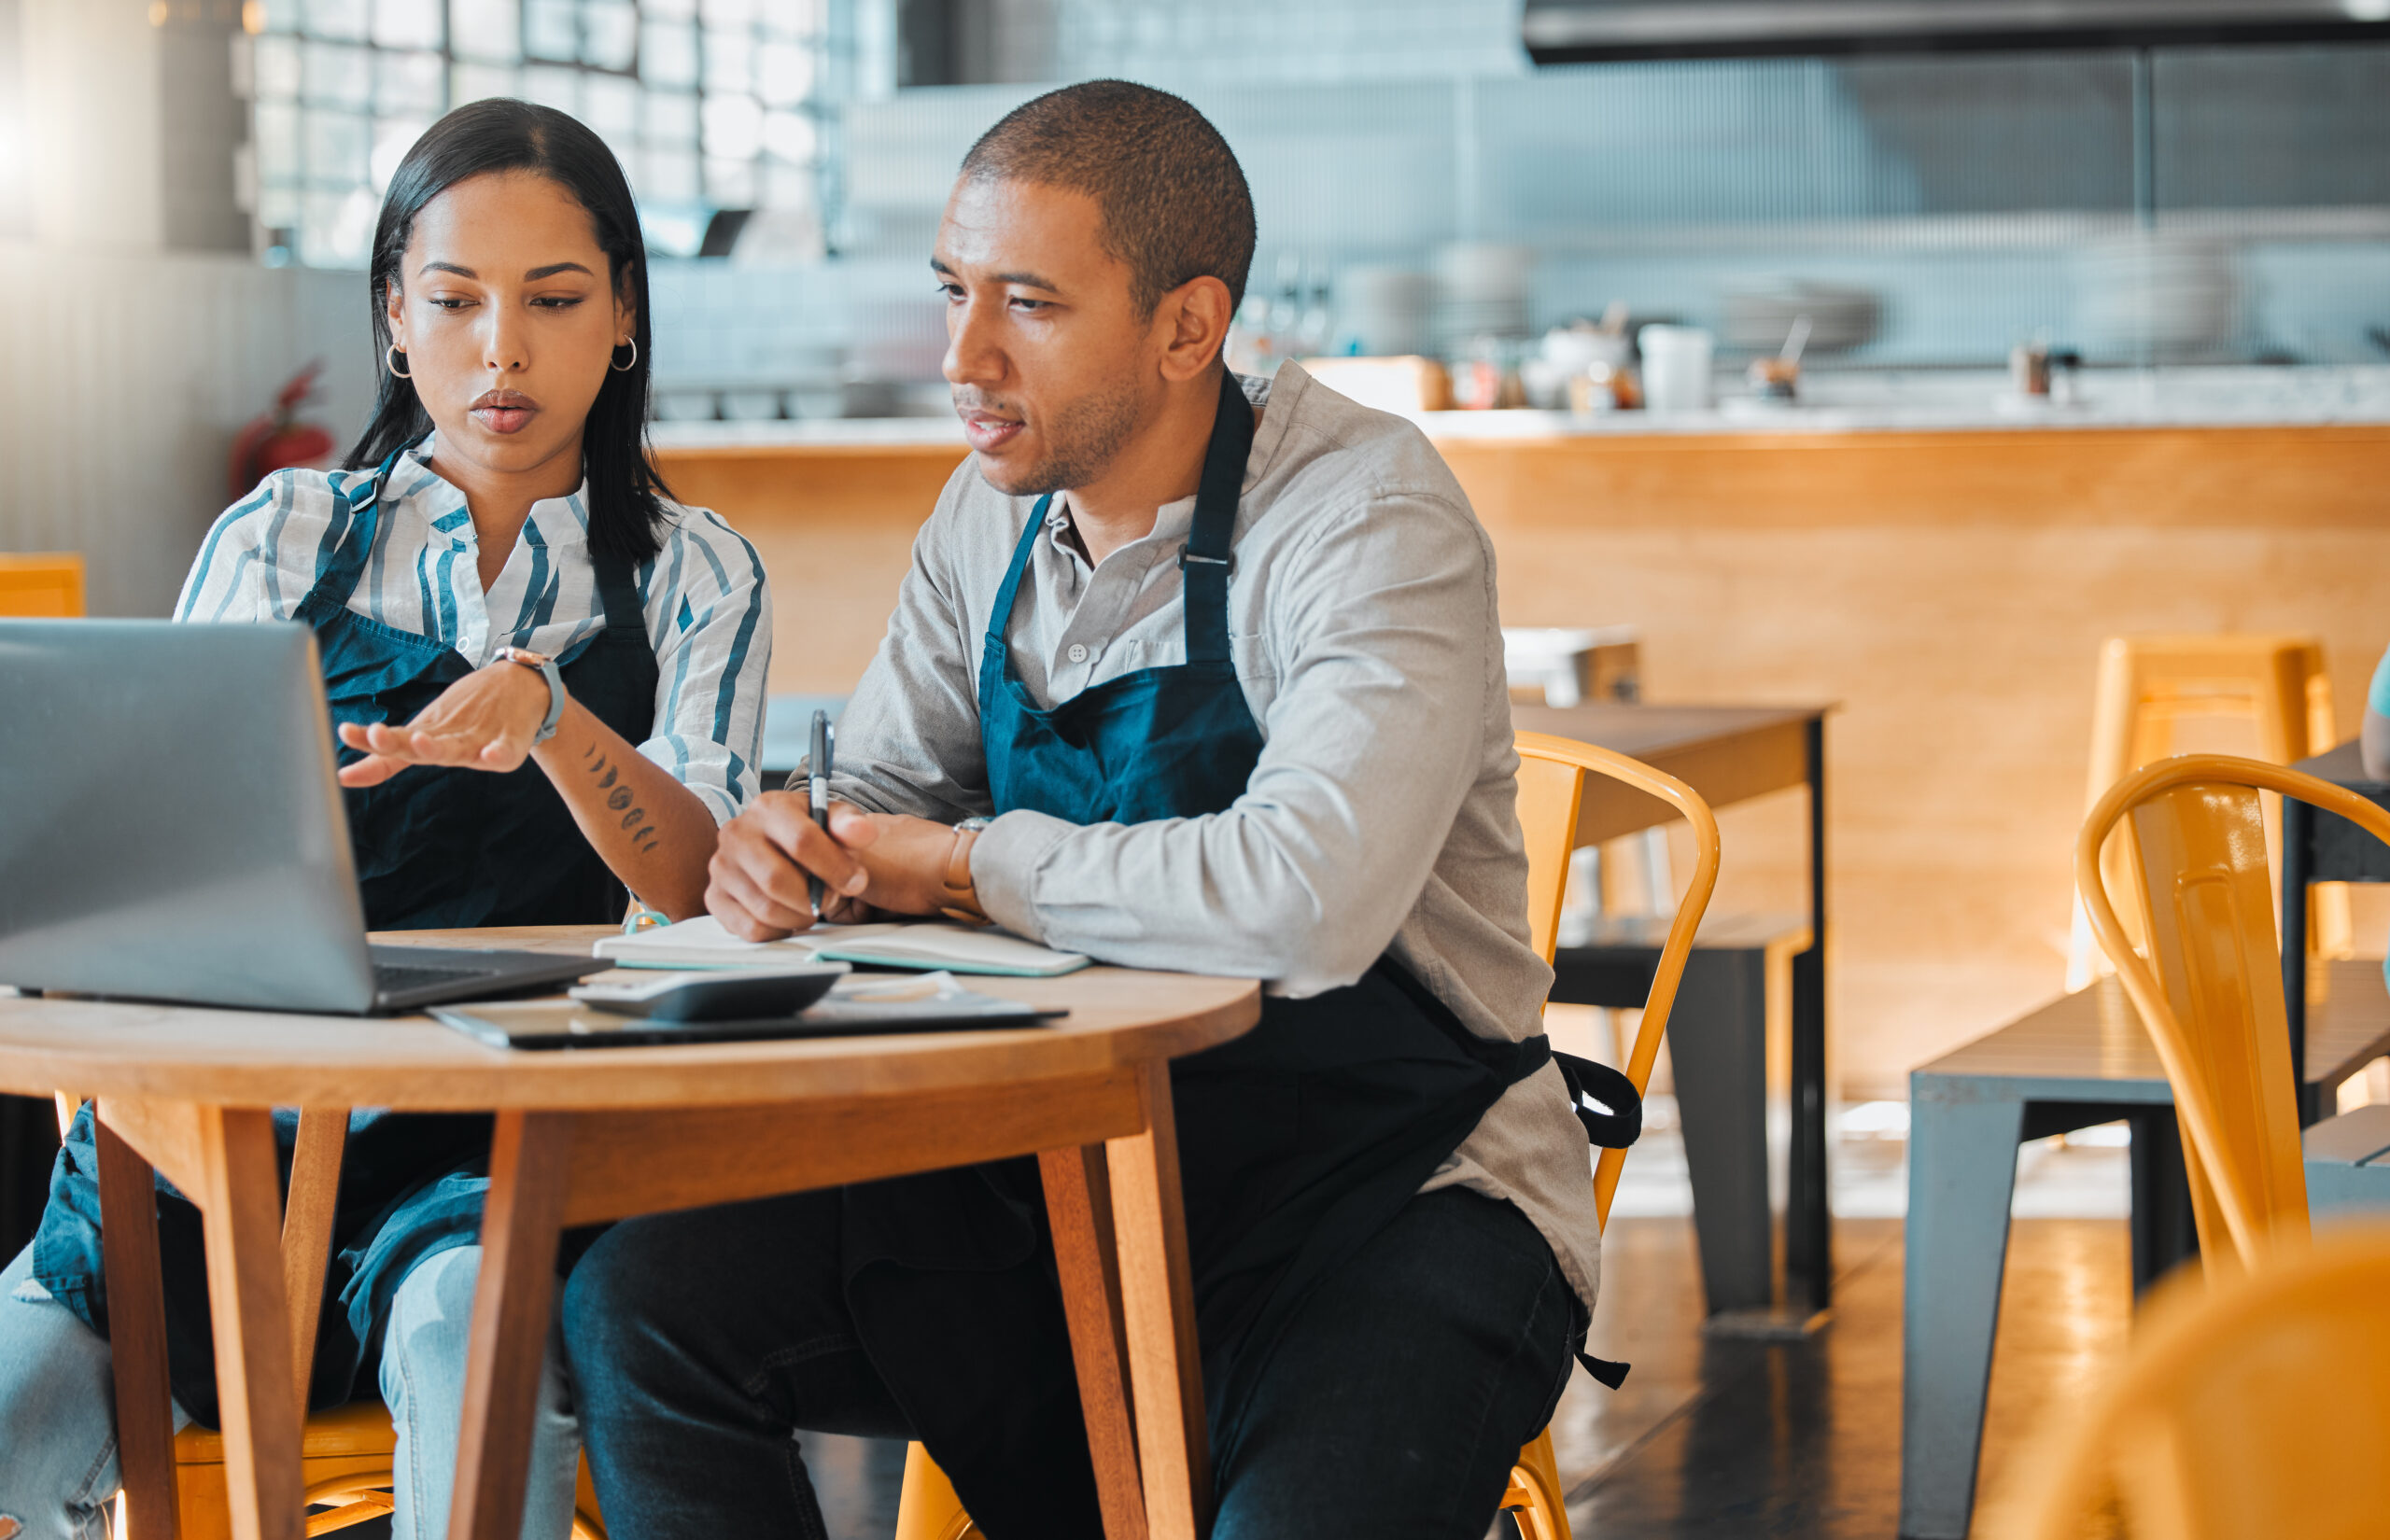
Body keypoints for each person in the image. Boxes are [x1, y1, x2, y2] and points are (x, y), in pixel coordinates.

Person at [561, 81, 1604, 1539]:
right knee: (643, 1302)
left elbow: (1302, 898)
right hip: (1059, 1181)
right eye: (951, 293)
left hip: (1392, 1207)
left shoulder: (1365, 516)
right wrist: (791, 858)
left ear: (1188, 326)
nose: (963, 358)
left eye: (1029, 305)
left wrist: (963, 867)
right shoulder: (987, 511)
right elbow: (873, 802)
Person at [0, 99, 769, 1540]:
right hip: (205, 1163)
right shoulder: (279, 536)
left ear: (624, 320)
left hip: (483, 1169)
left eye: (553, 300)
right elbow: (143, 860)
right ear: (395, 322)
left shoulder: (694, 575)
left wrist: (551, 717)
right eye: (456, 299)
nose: (503, 350)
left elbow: (700, 876)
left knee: (471, 1348)